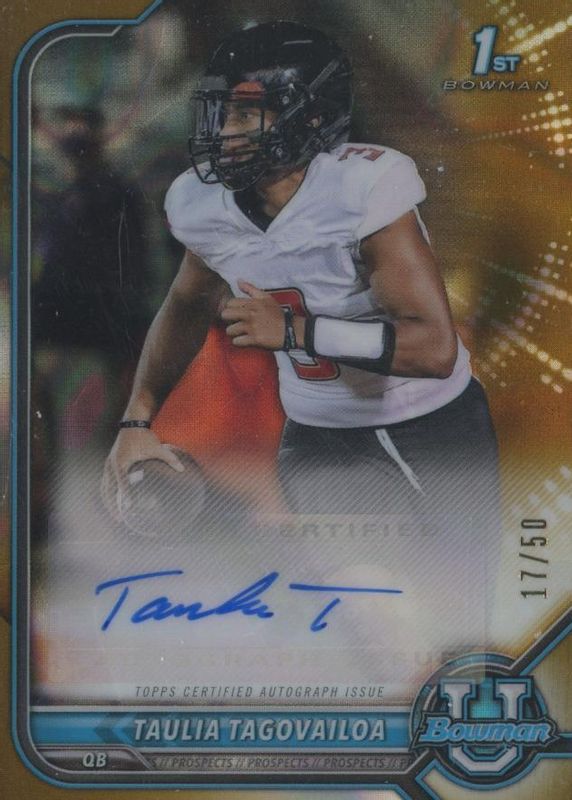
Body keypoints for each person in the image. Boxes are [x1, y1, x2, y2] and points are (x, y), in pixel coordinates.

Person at [103, 21, 499, 538]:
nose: (224, 132)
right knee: (354, 587)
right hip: (316, 437)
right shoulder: (200, 204)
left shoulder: (363, 188)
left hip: (430, 425)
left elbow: (433, 349)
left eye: (244, 114)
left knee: (455, 584)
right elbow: (186, 304)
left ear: (309, 116)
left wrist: (295, 332)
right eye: (219, 113)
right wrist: (137, 420)